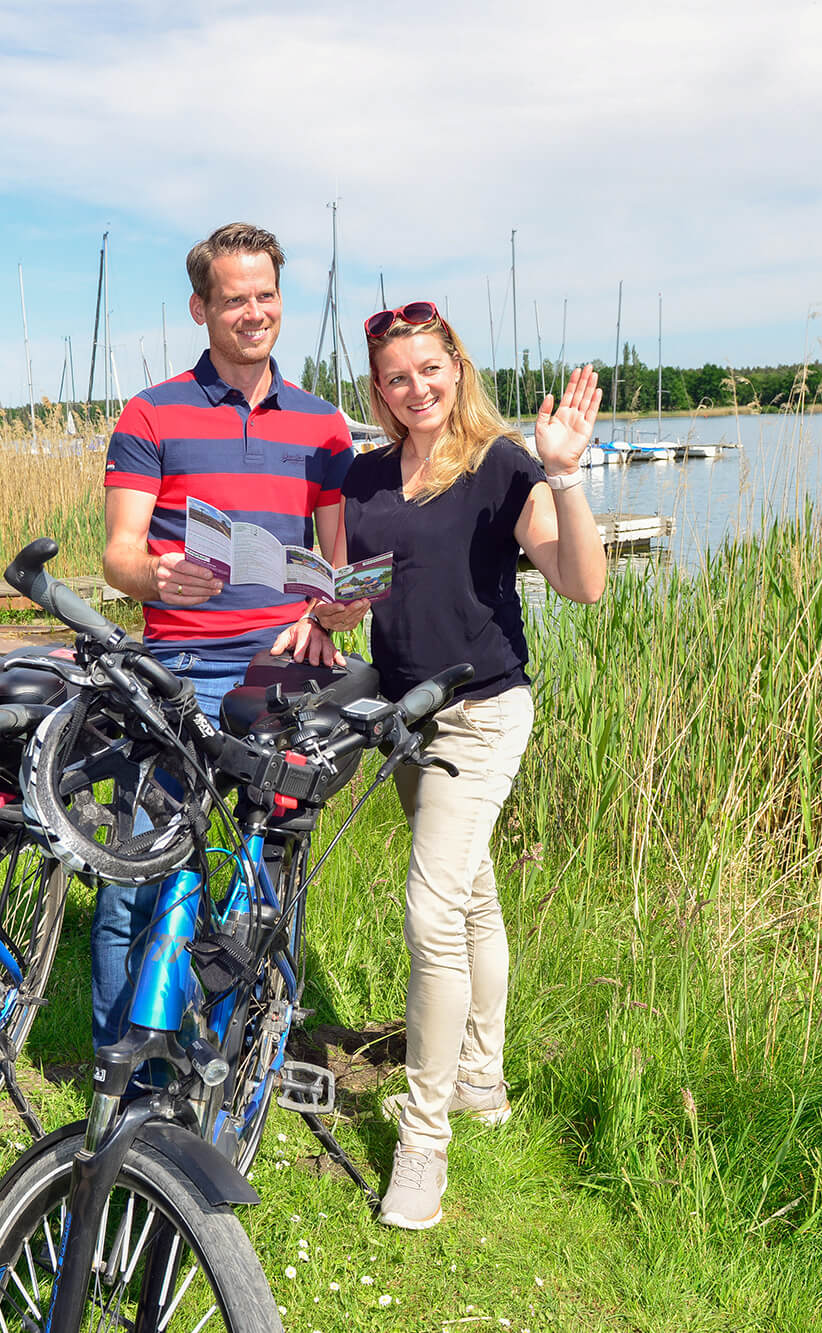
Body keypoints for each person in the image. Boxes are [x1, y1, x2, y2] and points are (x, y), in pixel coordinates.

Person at [320, 301, 606, 1229]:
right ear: (380, 388)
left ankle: (424, 1140)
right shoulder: (363, 481)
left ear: (457, 367)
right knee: (473, 893)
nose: (417, 390)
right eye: (398, 378)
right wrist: (322, 613)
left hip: (482, 715)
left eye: (430, 371)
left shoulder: (502, 467)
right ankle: (482, 1072)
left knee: (431, 908)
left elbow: (581, 582)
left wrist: (566, 474)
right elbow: (353, 590)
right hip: (406, 716)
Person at [95, 221, 351, 1047]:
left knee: (270, 867)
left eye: (266, 296)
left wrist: (330, 607)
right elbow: (119, 557)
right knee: (138, 867)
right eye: (235, 299)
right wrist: (155, 576)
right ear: (201, 307)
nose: (254, 312)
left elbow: (340, 563)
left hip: (282, 672)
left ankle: (243, 1053)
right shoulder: (152, 412)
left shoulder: (323, 424)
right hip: (174, 667)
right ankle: (124, 1060)